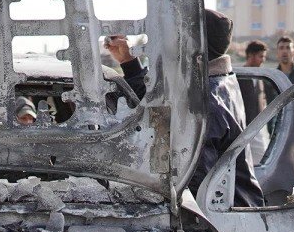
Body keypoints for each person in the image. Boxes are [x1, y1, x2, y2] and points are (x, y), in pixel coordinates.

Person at [107, 10, 264, 206]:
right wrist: (129, 63)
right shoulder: (217, 82)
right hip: (239, 208)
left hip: (227, 218)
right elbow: (159, 102)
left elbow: (193, 187)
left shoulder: (203, 104)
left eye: (177, 36)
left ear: (194, 45)